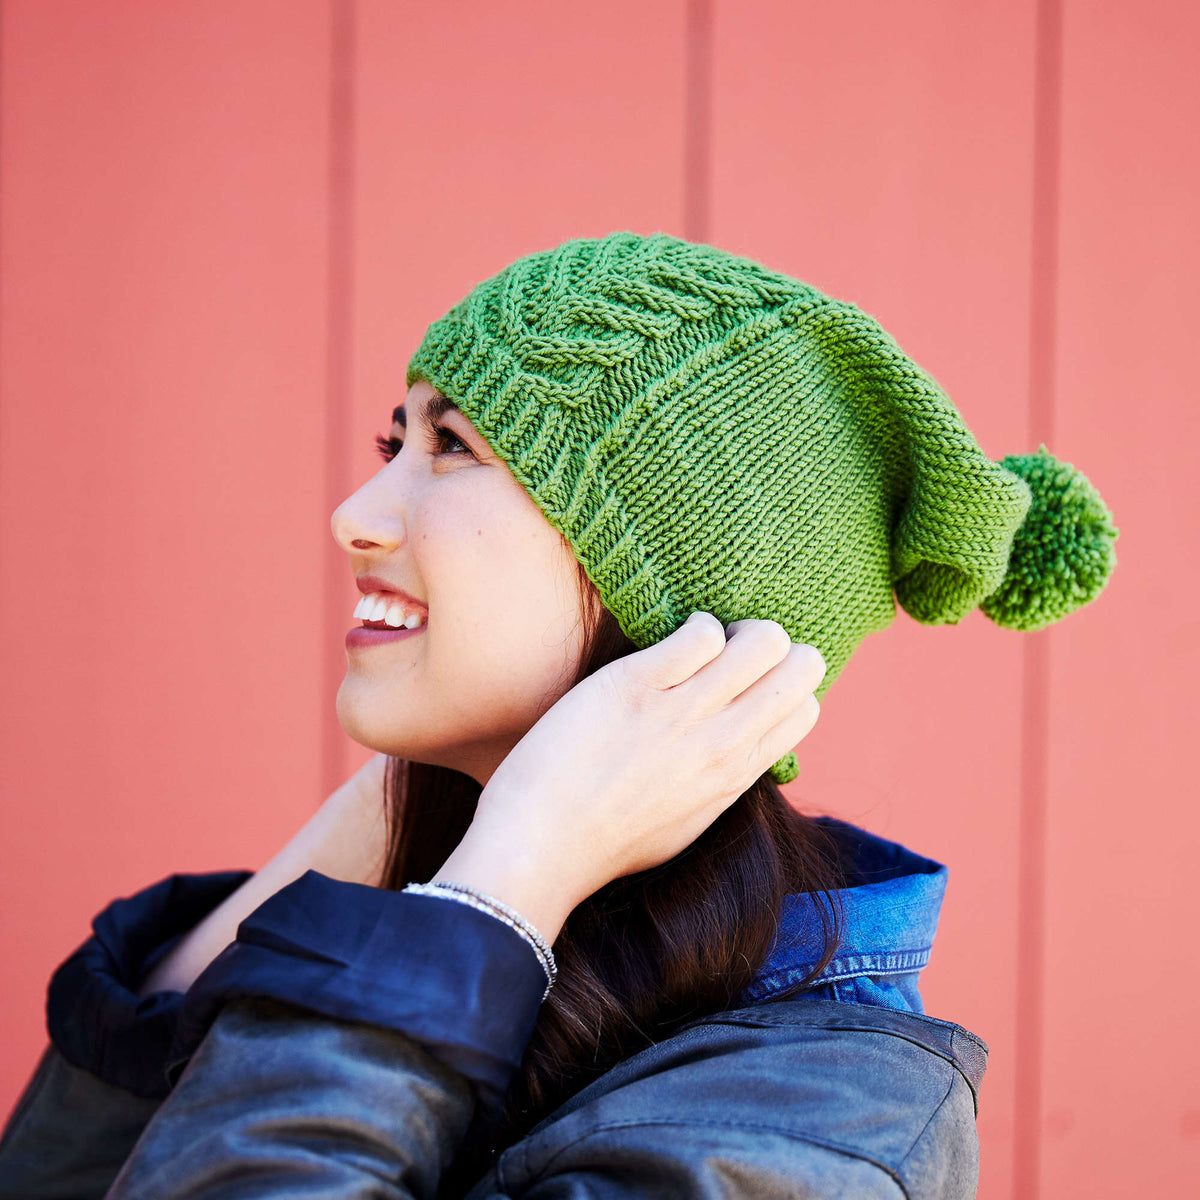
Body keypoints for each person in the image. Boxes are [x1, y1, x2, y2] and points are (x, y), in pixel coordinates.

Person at [0, 231, 1118, 1198]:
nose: (356, 512)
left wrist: (507, 879)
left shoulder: (827, 1120)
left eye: (456, 450)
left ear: (675, 599)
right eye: (397, 445)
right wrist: (378, 831)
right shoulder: (457, 900)